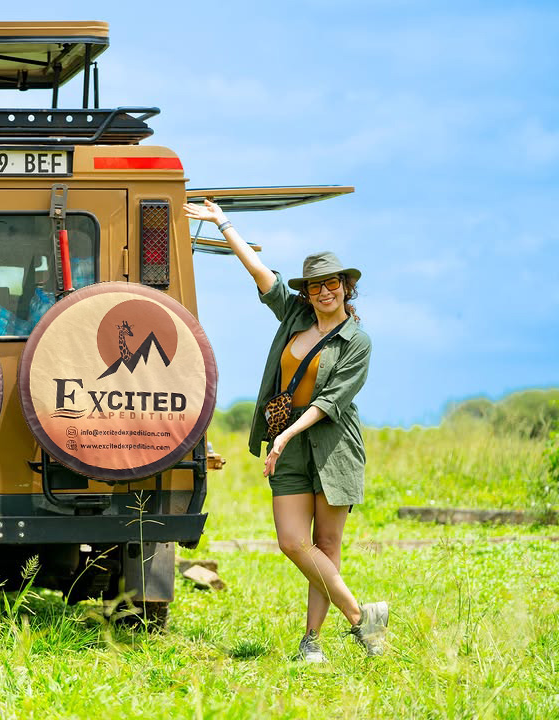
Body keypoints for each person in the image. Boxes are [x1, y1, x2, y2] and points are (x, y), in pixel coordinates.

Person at [184, 200, 388, 660]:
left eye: (331, 283)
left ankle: (311, 642)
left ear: (346, 287)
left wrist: (286, 434)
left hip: (333, 446)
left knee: (326, 546)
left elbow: (331, 401)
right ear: (308, 291)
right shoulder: (295, 316)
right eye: (315, 285)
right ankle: (361, 618)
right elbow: (260, 273)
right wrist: (223, 224)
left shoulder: (357, 340)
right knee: (293, 542)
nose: (323, 292)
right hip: (289, 444)